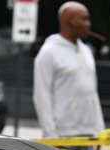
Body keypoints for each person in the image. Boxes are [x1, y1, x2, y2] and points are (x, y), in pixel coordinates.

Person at [32, 2, 105, 140]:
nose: (88, 24)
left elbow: (92, 93)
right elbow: (41, 96)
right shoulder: (49, 52)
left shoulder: (86, 51)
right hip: (62, 135)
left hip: (87, 134)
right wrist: (50, 134)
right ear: (68, 21)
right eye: (83, 19)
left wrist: (98, 130)